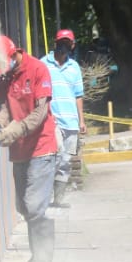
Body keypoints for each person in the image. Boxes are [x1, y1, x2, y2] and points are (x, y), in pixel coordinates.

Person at [0, 34, 59, 262]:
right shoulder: (4, 77)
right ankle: (38, 259)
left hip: (42, 147)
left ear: (14, 53)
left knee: (34, 205)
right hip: (19, 150)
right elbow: (3, 108)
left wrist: (16, 128)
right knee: (23, 205)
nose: (1, 71)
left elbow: (41, 111)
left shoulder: (38, 69)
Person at [42, 28, 87, 204]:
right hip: (52, 121)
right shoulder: (43, 64)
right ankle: (46, 197)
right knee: (55, 156)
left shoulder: (74, 67)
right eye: (61, 43)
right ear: (55, 43)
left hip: (72, 123)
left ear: (73, 45)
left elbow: (78, 95)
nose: (64, 46)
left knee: (66, 161)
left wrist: (81, 120)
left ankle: (58, 200)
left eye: (68, 43)